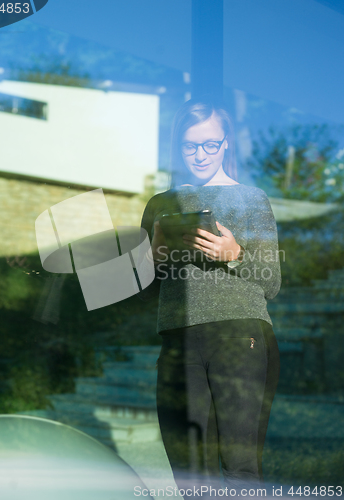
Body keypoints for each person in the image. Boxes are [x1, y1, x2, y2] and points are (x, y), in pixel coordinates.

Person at [138, 99, 281, 495]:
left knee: (240, 469)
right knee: (189, 475)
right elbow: (145, 291)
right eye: (190, 146)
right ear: (177, 146)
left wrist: (234, 255)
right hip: (178, 341)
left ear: (226, 144)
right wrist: (154, 258)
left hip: (242, 339)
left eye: (210, 144)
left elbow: (272, 281)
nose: (200, 155)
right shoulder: (161, 204)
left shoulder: (252, 199)